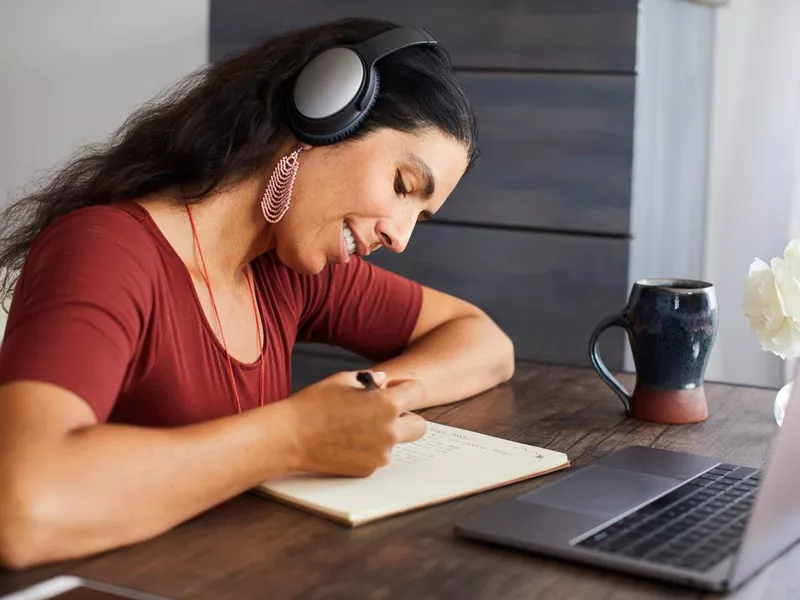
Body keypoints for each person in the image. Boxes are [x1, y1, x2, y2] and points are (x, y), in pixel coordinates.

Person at [0, 17, 514, 570]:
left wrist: (373, 406)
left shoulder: (289, 270)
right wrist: (294, 437)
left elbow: (485, 343)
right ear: (325, 113)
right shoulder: (107, 250)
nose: (400, 235)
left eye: (422, 217)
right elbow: (22, 506)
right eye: (402, 186)